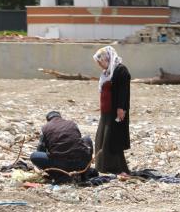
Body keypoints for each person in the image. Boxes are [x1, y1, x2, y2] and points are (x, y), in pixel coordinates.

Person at [92, 45, 131, 174]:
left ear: (107, 58)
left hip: (115, 111)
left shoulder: (120, 70)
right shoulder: (107, 72)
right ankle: (102, 166)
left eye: (100, 61)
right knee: (102, 139)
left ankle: (114, 167)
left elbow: (123, 91)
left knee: (112, 140)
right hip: (106, 113)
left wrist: (121, 108)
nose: (99, 65)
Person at [30, 111, 93, 178]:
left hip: (61, 166)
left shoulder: (45, 128)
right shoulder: (72, 124)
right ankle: (85, 173)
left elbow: (40, 150)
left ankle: (57, 175)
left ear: (48, 120)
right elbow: (79, 142)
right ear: (60, 117)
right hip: (80, 163)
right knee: (87, 139)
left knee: (34, 156)